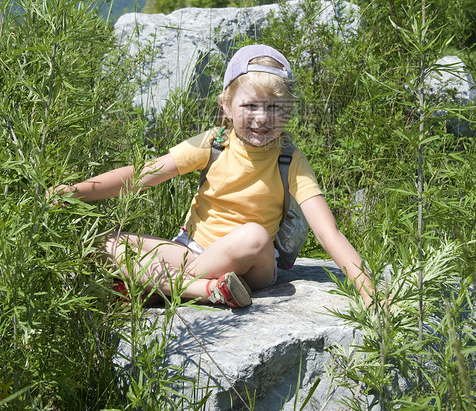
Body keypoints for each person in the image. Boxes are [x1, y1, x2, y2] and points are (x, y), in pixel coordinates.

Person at [49, 44, 373, 308]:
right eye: (250, 106)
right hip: (193, 251)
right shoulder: (214, 143)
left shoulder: (290, 160)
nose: (262, 118)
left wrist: (369, 291)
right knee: (104, 244)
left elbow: (327, 231)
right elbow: (142, 175)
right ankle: (205, 289)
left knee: (254, 235)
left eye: (275, 108)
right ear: (227, 107)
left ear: (288, 110)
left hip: (252, 262)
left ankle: (160, 286)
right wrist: (74, 191)